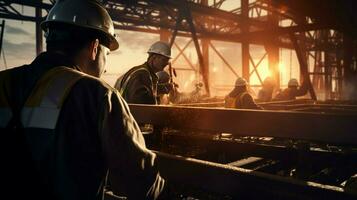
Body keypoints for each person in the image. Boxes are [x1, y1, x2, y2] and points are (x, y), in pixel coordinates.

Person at [0, 0, 165, 199]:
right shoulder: (97, 94)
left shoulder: (4, 82)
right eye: (107, 53)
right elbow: (137, 178)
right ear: (95, 47)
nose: (105, 67)